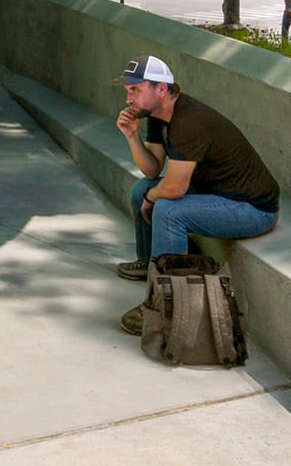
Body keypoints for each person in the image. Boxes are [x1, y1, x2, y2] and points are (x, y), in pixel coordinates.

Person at [113, 54, 280, 334]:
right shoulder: (157, 115)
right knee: (142, 188)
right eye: (128, 91)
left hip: (251, 208)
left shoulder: (188, 121)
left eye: (135, 90)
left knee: (168, 210)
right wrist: (132, 136)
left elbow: (176, 188)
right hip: (214, 193)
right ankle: (149, 265)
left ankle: (165, 305)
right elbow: (152, 171)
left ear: (161, 89)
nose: (129, 99)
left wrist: (152, 199)